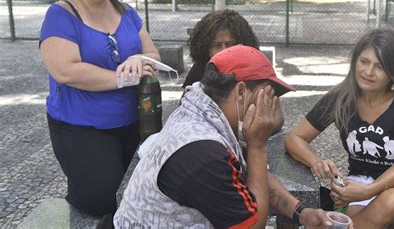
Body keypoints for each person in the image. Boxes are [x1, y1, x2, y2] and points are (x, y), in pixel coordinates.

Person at [114, 45, 331, 228]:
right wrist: (258, 147)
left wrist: (301, 213)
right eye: (267, 96)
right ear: (241, 92)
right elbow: (253, 224)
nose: (272, 109)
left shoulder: (200, 112)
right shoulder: (204, 153)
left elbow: (246, 173)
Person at [284, 29, 394, 228]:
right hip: (359, 185)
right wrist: (316, 161)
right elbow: (294, 138)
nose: (368, 72)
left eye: (380, 66)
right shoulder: (341, 98)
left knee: (392, 200)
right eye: (364, 61)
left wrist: (370, 191)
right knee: (353, 223)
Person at [39, 0, 160, 217]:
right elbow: (65, 71)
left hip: (135, 122)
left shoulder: (127, 12)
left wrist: (139, 59)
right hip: (82, 127)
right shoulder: (60, 15)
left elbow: (152, 54)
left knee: (144, 192)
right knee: (101, 200)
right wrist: (124, 78)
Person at [182, 9, 260, 89]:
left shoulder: (255, 72)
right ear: (207, 49)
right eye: (217, 45)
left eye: (230, 44)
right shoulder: (198, 72)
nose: (224, 51)